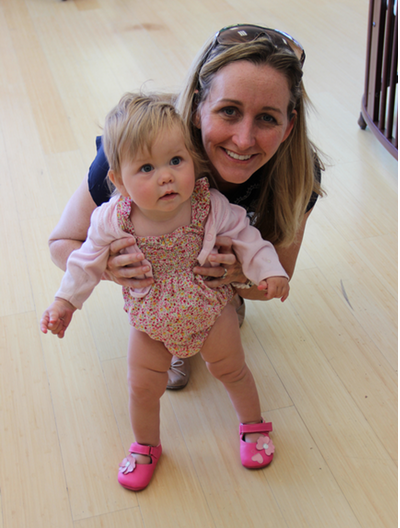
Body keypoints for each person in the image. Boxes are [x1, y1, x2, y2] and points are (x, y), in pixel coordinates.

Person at [48, 24, 324, 388]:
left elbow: (275, 282)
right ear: (197, 108)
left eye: (267, 118)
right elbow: (61, 243)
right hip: (155, 295)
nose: (243, 139)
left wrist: (238, 274)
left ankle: (213, 303)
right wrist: (112, 270)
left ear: (288, 128)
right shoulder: (137, 151)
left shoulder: (299, 175)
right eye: (228, 111)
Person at [40, 93, 290, 491]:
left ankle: (254, 426)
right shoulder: (112, 218)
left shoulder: (209, 205)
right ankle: (145, 446)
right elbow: (83, 261)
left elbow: (248, 238)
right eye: (146, 168)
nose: (166, 176)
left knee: (232, 370)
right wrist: (64, 302)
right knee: (141, 387)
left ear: (192, 159)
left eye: (176, 161)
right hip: (150, 319)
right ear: (119, 180)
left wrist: (270, 271)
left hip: (210, 309)